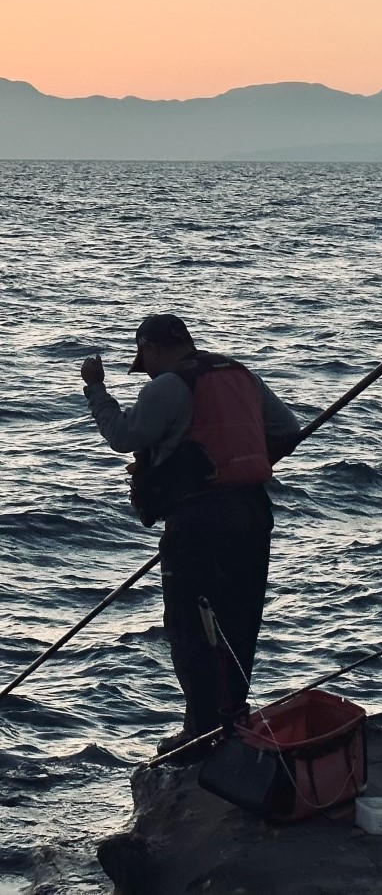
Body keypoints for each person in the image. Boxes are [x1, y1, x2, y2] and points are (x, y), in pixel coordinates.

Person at [80, 314, 301, 753]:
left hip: (199, 522)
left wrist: (96, 389)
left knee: (190, 626)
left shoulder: (167, 385)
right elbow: (288, 430)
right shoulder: (241, 374)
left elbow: (124, 436)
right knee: (240, 620)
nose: (149, 368)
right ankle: (232, 719)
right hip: (253, 513)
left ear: (153, 349)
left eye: (145, 359)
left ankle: (199, 731)